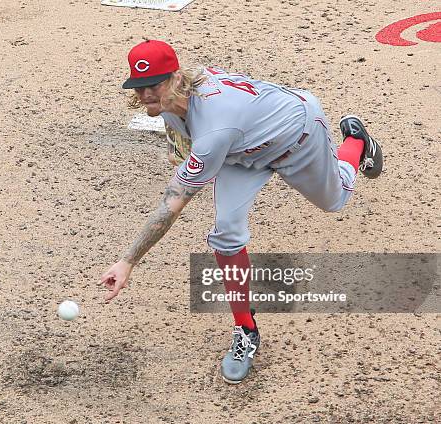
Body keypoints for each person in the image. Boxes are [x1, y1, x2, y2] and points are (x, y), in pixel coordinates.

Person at [99, 40, 383, 384]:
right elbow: (188, 157)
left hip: (297, 136)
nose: (145, 94)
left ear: (175, 78)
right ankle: (245, 331)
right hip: (242, 153)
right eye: (139, 86)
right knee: (226, 236)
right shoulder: (173, 105)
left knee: (335, 199)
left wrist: (128, 261)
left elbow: (173, 203)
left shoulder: (216, 127)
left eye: (153, 84)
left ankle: (355, 143)